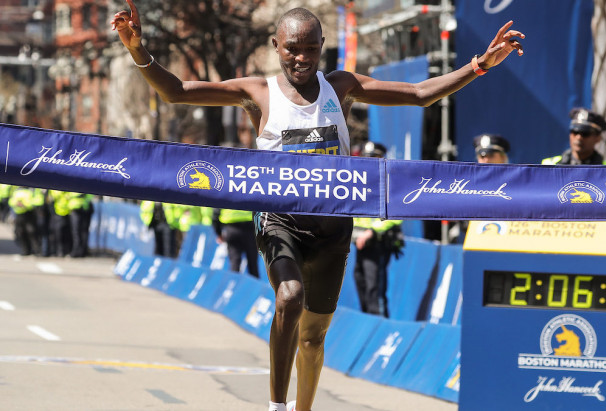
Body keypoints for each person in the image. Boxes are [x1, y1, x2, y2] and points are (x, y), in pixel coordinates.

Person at [111, 2, 523, 410]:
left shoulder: (340, 86)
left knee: (312, 338)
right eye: (292, 48)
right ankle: (276, 405)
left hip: (331, 228)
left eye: (311, 49)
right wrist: (137, 50)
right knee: (289, 297)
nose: (302, 58)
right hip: (279, 221)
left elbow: (418, 95)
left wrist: (479, 65)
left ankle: (303, 408)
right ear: (276, 45)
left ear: (323, 46)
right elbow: (176, 93)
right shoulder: (257, 92)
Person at [352, 142, 403, 316]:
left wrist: (371, 232)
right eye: (366, 158)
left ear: (381, 159)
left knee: (375, 288)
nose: (369, 162)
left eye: (373, 158)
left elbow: (395, 216)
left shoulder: (389, 183)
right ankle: (369, 321)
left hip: (378, 243)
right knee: (360, 282)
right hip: (359, 243)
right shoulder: (360, 181)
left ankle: (379, 321)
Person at [541, 107, 606, 165]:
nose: (579, 137)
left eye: (585, 133)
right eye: (574, 132)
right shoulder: (549, 165)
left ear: (598, 138)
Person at [212, 208, 259, 278]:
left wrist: (218, 232)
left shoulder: (225, 196)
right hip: (250, 228)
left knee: (235, 263)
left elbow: (216, 213)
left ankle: (233, 285)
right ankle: (256, 287)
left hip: (231, 229)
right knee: (253, 264)